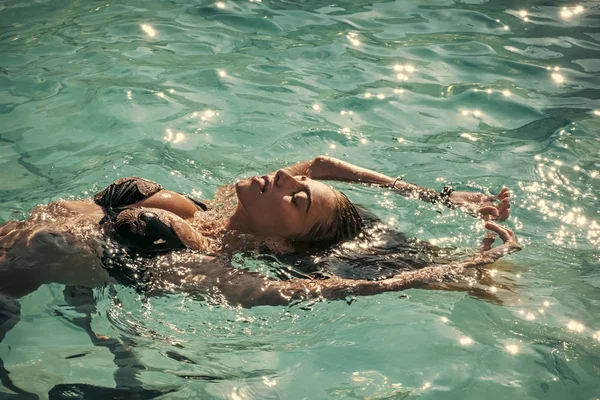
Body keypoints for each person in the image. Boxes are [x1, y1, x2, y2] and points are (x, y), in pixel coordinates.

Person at [0, 155, 518, 304]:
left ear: (279, 242)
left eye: (295, 199)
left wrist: (438, 273)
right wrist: (434, 196)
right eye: (294, 182)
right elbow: (319, 163)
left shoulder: (203, 266)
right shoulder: (224, 201)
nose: (287, 178)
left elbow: (309, 288)